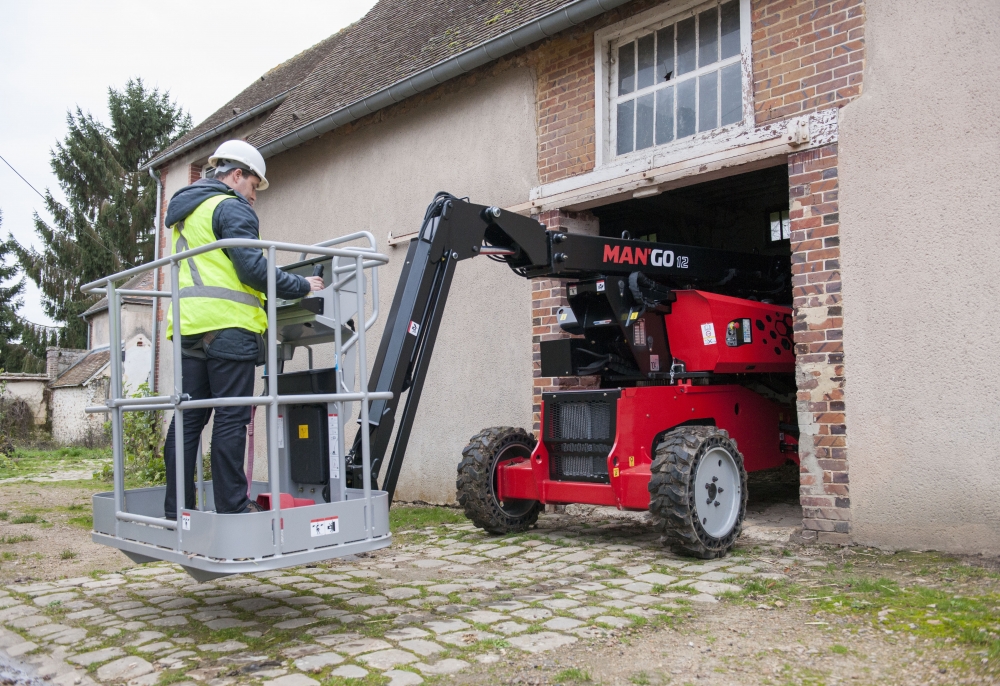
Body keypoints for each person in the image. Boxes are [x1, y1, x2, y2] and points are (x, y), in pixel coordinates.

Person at [161, 140, 323, 518]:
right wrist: (303, 286)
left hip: (189, 328)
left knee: (188, 419)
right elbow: (252, 269)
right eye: (253, 186)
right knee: (232, 418)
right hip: (229, 328)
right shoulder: (230, 206)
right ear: (236, 175)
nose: (253, 198)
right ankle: (233, 508)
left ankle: (177, 511)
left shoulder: (187, 212)